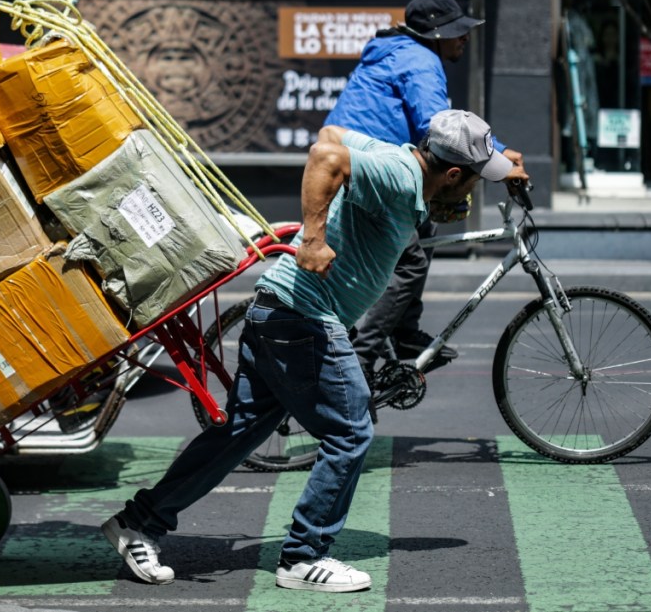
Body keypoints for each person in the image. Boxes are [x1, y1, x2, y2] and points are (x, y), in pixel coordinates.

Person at [102, 109, 529, 592]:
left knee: (239, 434)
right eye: (473, 180)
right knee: (351, 430)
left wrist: (501, 160)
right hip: (302, 318)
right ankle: (303, 558)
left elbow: (331, 133)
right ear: (452, 174)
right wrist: (313, 238)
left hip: (278, 312)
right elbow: (325, 155)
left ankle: (140, 521)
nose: (472, 191)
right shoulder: (398, 174)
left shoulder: (397, 159)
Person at [325, 0, 525, 389]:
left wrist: (499, 153)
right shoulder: (420, 61)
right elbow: (440, 126)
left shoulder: (400, 50)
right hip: (363, 170)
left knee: (425, 231)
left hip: (360, 163)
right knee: (410, 259)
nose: (464, 40)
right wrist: (499, 160)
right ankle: (362, 360)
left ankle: (401, 329)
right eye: (458, 33)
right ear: (435, 34)